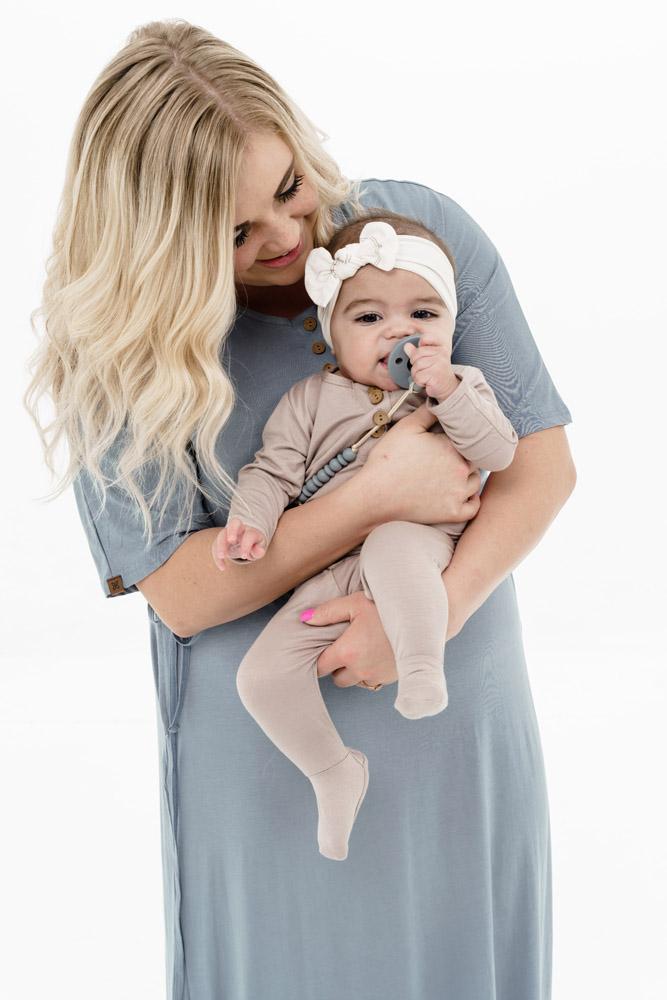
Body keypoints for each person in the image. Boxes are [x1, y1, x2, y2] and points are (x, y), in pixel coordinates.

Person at [24, 19, 576, 1000]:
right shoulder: (118, 345)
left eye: (286, 188)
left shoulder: (415, 239)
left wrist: (435, 613)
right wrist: (372, 496)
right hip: (271, 773)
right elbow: (183, 593)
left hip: (458, 724)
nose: (285, 237)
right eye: (233, 232)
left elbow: (541, 466)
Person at [215, 216, 519, 861]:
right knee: (261, 676)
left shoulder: (460, 388)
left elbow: (498, 451)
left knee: (391, 547)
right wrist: (251, 521)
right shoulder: (309, 401)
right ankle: (334, 772)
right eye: (369, 317)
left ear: (450, 325)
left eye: (423, 313)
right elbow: (272, 472)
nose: (400, 331)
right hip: (334, 570)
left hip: (420, 544)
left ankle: (421, 665)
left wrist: (447, 390)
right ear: (332, 332)